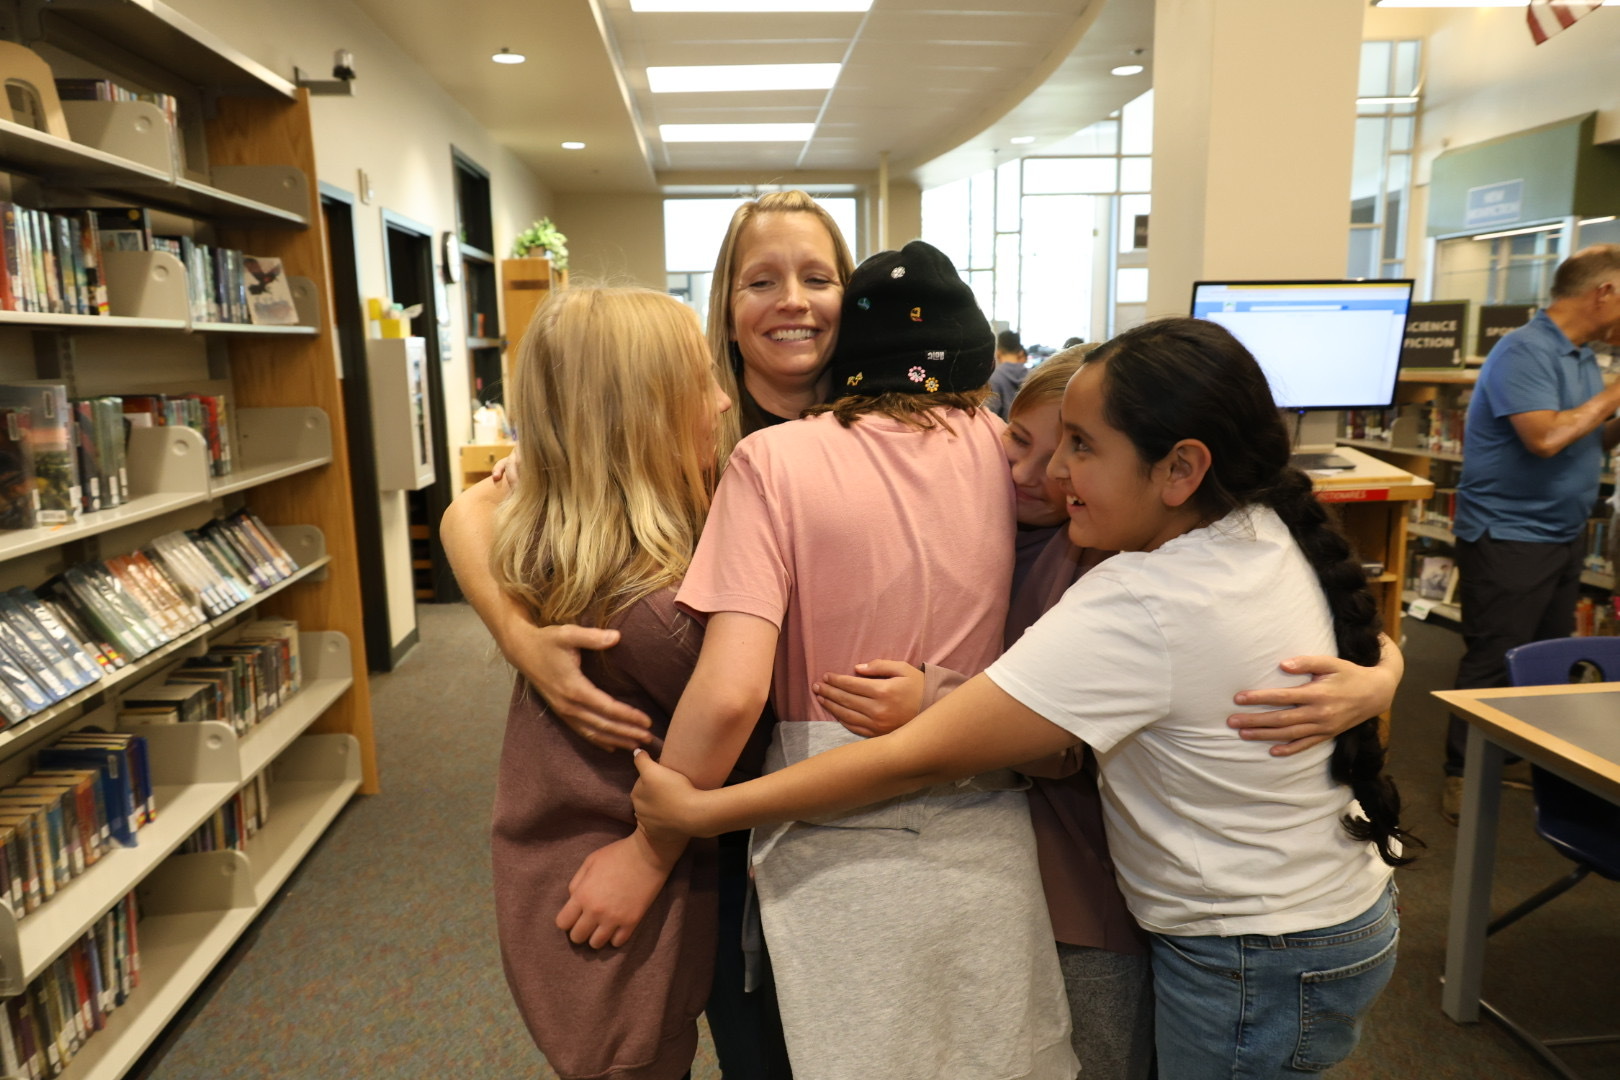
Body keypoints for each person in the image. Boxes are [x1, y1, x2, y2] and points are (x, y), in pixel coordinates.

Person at [633, 316, 1418, 1080]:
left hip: (1255, 951)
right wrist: (1386, 670)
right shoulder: (1258, 526)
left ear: (1181, 469)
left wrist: (698, 814)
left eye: (1082, 447)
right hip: (1325, 913)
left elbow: (911, 756)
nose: (1052, 474)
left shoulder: (1141, 601)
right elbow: (1355, 624)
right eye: (1035, 439)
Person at [564, 241, 1078, 1079]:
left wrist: (653, 834)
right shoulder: (1004, 453)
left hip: (828, 839)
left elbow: (730, 696)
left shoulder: (772, 459)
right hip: (985, 819)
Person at [443, 190, 854, 1080]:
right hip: (662, 863)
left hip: (670, 862)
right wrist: (519, 640)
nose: (792, 300)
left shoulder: (622, 514)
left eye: (819, 277)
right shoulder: (660, 573)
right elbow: (738, 692)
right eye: (760, 281)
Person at [472, 285, 733, 1080]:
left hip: (556, 884)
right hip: (614, 922)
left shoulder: (555, 548)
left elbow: (472, 510)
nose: (722, 403)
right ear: (641, 419)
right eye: (699, 385)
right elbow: (751, 722)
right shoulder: (656, 616)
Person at [1443, 244, 1620, 823]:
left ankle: (1515, 755)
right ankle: (1461, 777)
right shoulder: (1524, 350)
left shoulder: (1580, 356)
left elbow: (1585, 436)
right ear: (1604, 292)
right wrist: (1614, 395)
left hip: (1560, 531)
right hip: (1511, 533)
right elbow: (1543, 438)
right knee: (1495, 655)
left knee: (1544, 658)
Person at [988, 328, 1033, 420]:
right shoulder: (1033, 376)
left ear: (998, 353)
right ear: (1020, 353)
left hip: (1003, 432)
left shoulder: (994, 378)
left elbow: (989, 413)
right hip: (1029, 431)